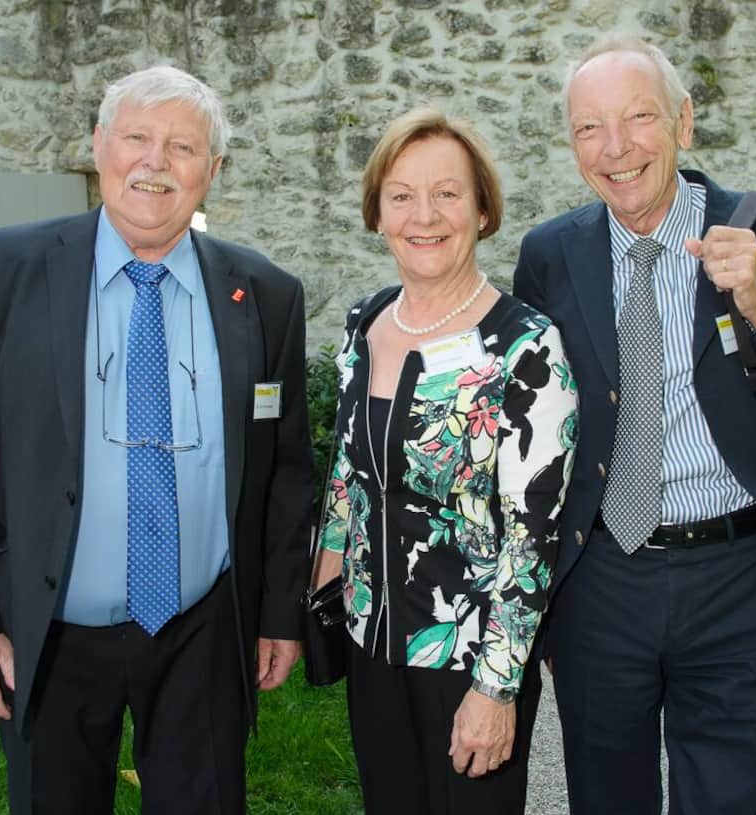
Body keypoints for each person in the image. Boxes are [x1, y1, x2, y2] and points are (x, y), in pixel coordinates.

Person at [0, 65, 313, 814]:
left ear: (214, 169)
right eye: (136, 137)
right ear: (99, 145)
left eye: (182, 146)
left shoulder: (265, 294)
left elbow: (285, 470)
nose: (155, 162)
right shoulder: (3, 270)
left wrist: (276, 615)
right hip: (51, 630)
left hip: (202, 626)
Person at [512, 36, 756, 815]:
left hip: (736, 575)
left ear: (683, 122)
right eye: (588, 128)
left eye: (638, 118)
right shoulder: (550, 255)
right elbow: (538, 429)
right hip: (602, 580)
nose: (615, 147)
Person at [313, 107, 578, 814]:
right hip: (373, 649)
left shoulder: (524, 347)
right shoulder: (365, 323)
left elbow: (533, 539)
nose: (422, 215)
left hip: (469, 659)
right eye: (400, 195)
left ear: (483, 210)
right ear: (376, 213)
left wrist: (496, 688)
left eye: (447, 194)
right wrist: (315, 600)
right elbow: (347, 479)